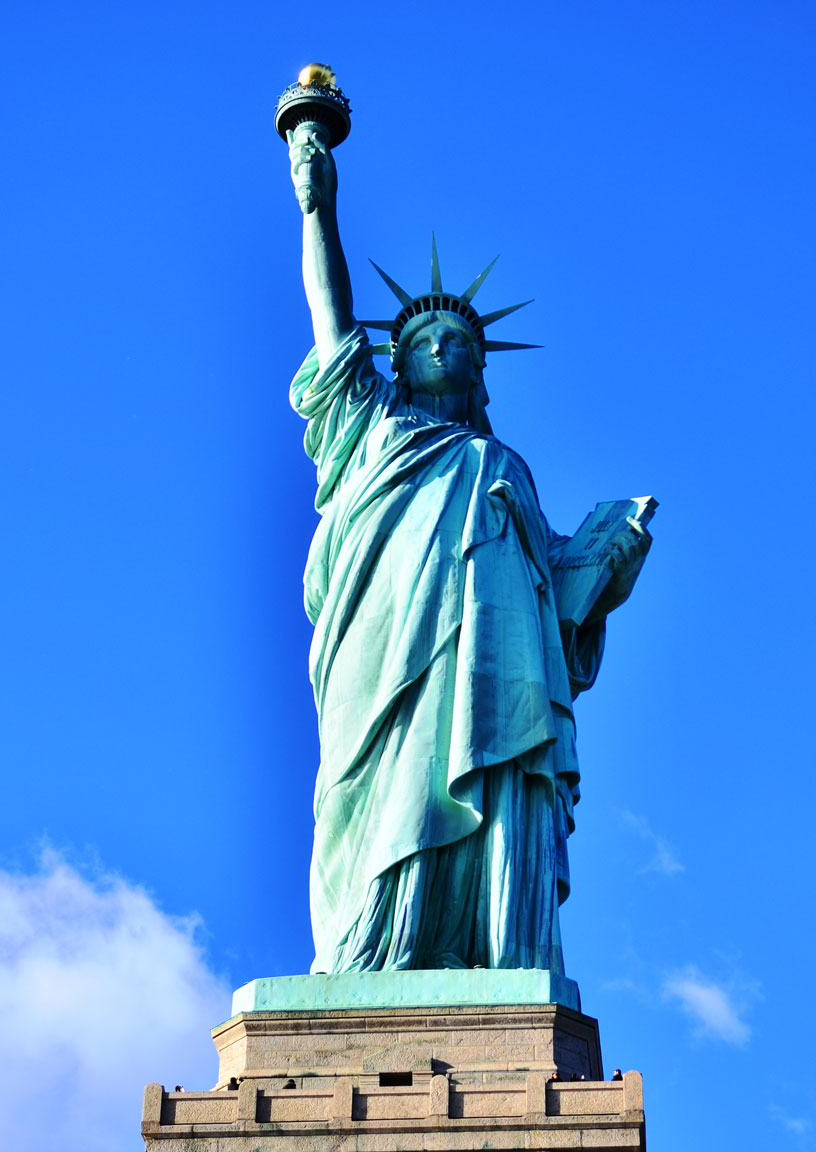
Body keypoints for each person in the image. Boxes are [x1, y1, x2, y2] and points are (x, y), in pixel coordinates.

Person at [286, 119, 650, 975]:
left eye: (458, 341)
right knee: (383, 789)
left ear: (479, 367)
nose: (441, 347)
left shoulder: (505, 466)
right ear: (399, 365)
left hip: (491, 666)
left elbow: (556, 596)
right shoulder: (371, 426)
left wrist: (607, 563)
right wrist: (317, 210)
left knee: (491, 766)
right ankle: (375, 950)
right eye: (420, 342)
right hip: (386, 649)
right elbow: (332, 322)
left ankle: (488, 946)